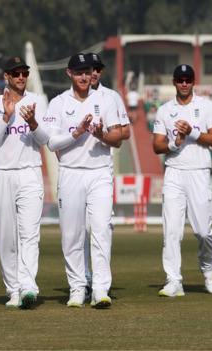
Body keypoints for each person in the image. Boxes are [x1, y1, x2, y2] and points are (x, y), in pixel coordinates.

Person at [45, 53, 123, 308]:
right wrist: (77, 132)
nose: (83, 77)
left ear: (92, 74)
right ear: (69, 73)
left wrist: (101, 134)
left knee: (101, 229)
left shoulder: (105, 99)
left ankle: (100, 289)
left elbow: (118, 139)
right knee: (72, 234)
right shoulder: (58, 103)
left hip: (99, 171)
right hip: (70, 172)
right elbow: (52, 142)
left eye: (87, 72)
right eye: (78, 72)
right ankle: (77, 287)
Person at [0, 56, 49, 309]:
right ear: (6, 77)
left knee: (30, 234)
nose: (21, 77)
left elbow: (44, 139)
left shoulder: (38, 101)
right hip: (2, 174)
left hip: (30, 172)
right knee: (6, 237)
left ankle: (28, 288)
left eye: (24, 73)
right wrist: (6, 116)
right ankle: (13, 289)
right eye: (16, 73)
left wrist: (32, 122)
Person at [152, 64, 212, 297]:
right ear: (174, 82)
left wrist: (191, 132)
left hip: (199, 171)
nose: (184, 83)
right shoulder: (164, 110)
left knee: (203, 230)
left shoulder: (206, 106)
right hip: (174, 172)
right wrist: (175, 143)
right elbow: (156, 146)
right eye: (180, 79)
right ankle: (173, 280)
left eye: (188, 79)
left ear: (193, 81)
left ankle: (208, 269)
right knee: (171, 230)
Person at [82, 52, 132, 299]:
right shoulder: (72, 97)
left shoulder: (111, 96)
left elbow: (125, 132)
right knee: (79, 228)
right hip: (76, 168)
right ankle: (84, 278)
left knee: (99, 227)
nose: (92, 73)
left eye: (97, 70)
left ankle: (101, 280)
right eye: (89, 69)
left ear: (101, 72)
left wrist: (105, 132)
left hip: (101, 166)